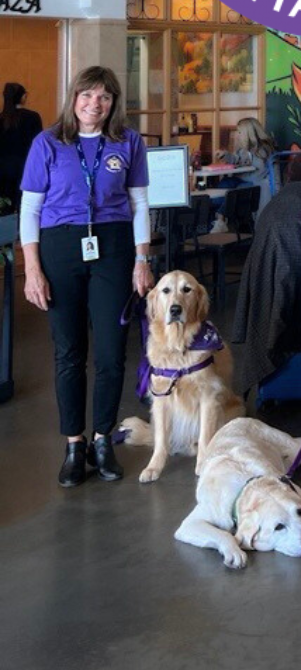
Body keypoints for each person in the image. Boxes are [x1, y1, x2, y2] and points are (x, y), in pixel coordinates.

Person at [19, 66, 153, 487]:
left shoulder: (128, 142)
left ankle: (102, 440)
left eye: (105, 97)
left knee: (113, 354)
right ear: (74, 97)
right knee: (69, 352)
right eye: (87, 95)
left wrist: (142, 258)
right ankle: (74, 443)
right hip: (60, 247)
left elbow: (141, 203)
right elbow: (30, 210)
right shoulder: (48, 142)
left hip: (113, 247)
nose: (95, 104)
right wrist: (33, 269)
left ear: (114, 103)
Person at [1, 82, 43, 215]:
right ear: (23, 97)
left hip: (3, 167)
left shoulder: (1, 118)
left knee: (5, 202)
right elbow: (38, 145)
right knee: (25, 202)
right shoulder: (32, 117)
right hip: (26, 165)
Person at [217, 116, 277, 209]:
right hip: (243, 178)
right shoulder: (244, 148)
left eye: (240, 132)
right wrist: (225, 155)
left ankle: (220, 216)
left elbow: (257, 174)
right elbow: (237, 159)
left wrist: (239, 173)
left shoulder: (262, 150)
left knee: (235, 192)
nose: (237, 135)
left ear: (248, 133)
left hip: (255, 182)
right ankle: (216, 215)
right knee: (225, 183)